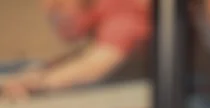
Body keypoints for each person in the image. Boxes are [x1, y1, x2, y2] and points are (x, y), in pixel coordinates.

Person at [1, 0, 151, 101]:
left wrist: (39, 83)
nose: (55, 18)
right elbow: (90, 55)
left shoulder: (121, 7)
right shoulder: (101, 22)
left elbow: (99, 62)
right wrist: (42, 73)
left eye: (59, 6)